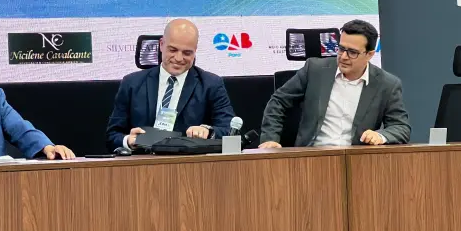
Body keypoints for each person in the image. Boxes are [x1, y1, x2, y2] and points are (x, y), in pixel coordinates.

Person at [259, 20, 410, 148]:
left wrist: (380, 136)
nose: (343, 57)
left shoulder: (387, 84)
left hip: (357, 160)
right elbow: (278, 101)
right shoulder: (315, 70)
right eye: (341, 49)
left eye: (352, 52)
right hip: (311, 157)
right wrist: (270, 139)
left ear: (369, 54)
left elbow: (401, 127)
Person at [106, 19, 236, 150]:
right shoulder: (132, 83)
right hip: (142, 159)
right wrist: (128, 140)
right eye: (173, 50)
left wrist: (208, 131)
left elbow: (231, 132)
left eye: (187, 53)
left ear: (195, 51)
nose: (178, 58)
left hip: (189, 160)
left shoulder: (211, 85)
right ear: (161, 44)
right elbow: (112, 136)